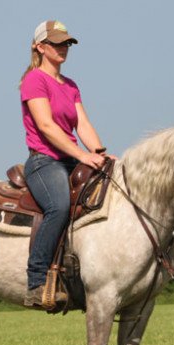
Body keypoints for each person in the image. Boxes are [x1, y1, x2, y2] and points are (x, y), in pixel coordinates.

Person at [20, 20, 115, 308]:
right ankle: (37, 281)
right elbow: (47, 127)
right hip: (44, 161)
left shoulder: (70, 85)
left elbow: (82, 124)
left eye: (66, 43)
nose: (63, 48)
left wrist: (99, 152)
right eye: (57, 43)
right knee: (58, 206)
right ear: (40, 46)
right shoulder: (34, 80)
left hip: (70, 158)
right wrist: (83, 155)